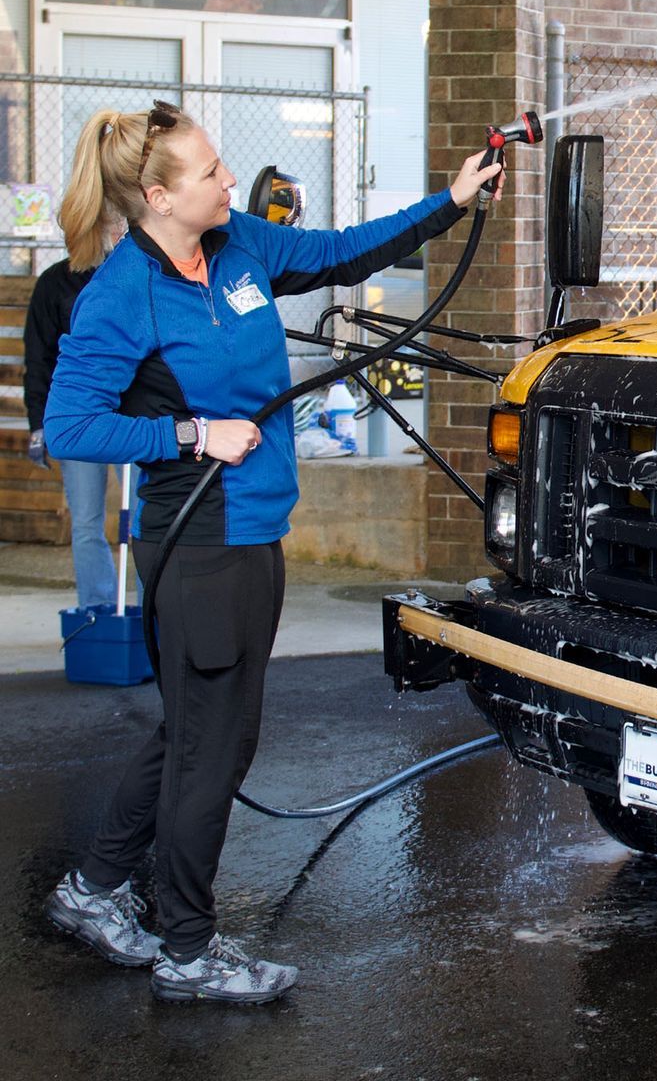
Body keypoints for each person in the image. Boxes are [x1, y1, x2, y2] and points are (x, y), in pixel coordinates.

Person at [40, 100, 501, 1004]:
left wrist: (448, 201)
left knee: (190, 729)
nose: (226, 179)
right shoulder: (122, 293)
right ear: (158, 195)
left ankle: (93, 889)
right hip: (200, 540)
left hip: (254, 531)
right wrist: (190, 434)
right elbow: (69, 424)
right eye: (208, 170)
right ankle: (187, 946)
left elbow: (337, 251)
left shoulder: (239, 245)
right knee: (217, 746)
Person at [24, 158, 129, 614]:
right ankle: (97, 610)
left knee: (141, 516)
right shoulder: (53, 285)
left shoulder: (124, 275)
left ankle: (156, 614)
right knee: (87, 522)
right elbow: (38, 358)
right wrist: (38, 425)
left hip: (131, 417)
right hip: (80, 419)